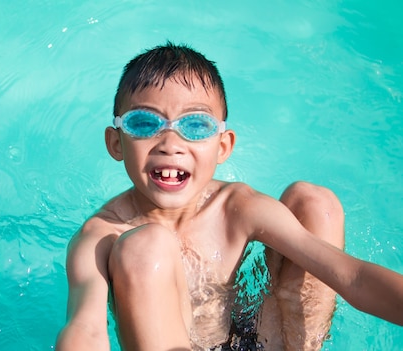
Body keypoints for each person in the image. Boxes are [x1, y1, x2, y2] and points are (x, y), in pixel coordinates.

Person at [55, 42, 403, 351]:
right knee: (143, 247)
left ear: (223, 146)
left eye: (195, 126)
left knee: (315, 203)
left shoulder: (234, 208)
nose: (171, 144)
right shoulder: (102, 235)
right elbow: (86, 328)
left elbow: (349, 275)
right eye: (145, 124)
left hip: (264, 338)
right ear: (116, 142)